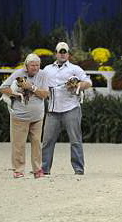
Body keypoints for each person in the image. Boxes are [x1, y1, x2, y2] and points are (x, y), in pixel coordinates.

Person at [42, 42, 92, 175]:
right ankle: (44, 169)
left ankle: (79, 170)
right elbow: (41, 84)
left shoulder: (75, 69)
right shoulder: (47, 69)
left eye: (65, 52)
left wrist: (77, 86)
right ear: (56, 53)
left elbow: (88, 82)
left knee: (75, 140)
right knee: (47, 141)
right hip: (52, 110)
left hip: (71, 108)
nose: (62, 54)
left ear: (68, 54)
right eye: (60, 52)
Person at [0, 54, 49, 178]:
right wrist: (17, 94)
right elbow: (3, 88)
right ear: (26, 65)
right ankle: (18, 170)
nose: (35, 68)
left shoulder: (43, 75)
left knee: (37, 143)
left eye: (37, 65)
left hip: (37, 116)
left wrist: (31, 87)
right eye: (32, 65)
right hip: (19, 116)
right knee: (18, 144)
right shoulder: (18, 73)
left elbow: (45, 94)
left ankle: (38, 170)